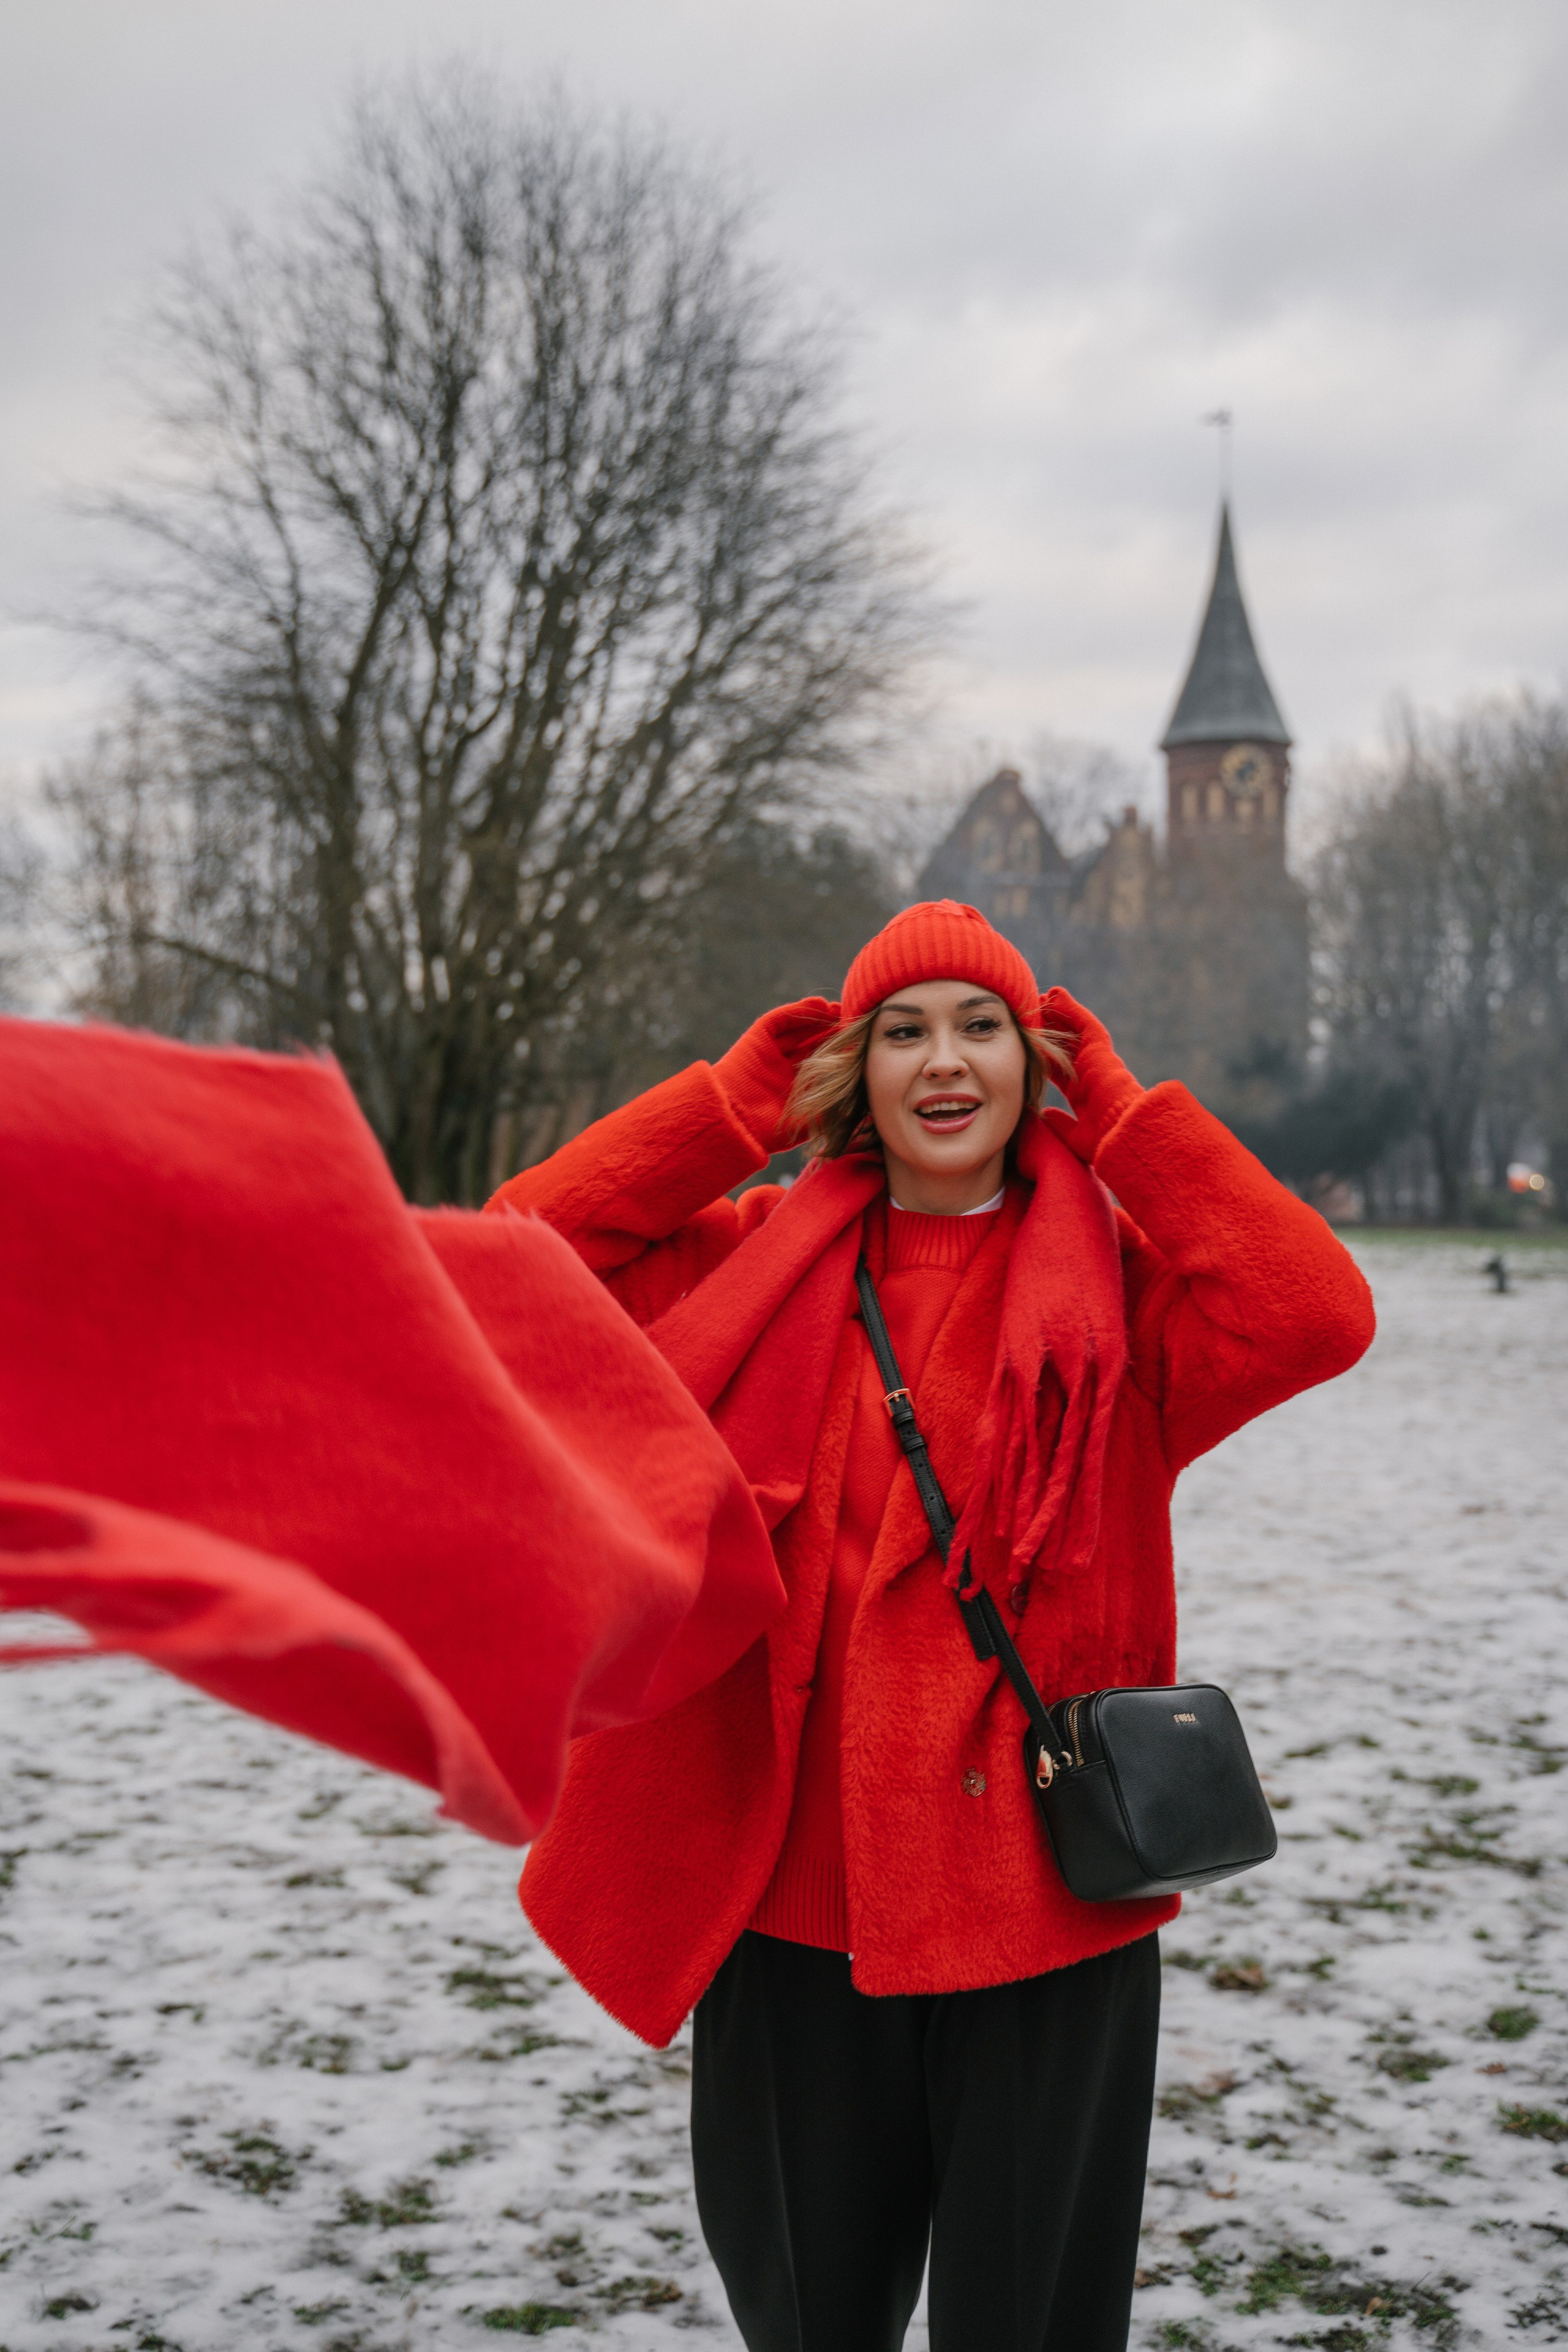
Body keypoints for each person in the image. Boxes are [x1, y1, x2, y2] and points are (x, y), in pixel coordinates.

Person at [493, 899, 1376, 2352]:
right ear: (854, 1071)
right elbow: (517, 1259)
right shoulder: (751, 1260)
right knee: (807, 2319)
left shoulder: (1122, 1304)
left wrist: (1126, 1121)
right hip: (790, 1912)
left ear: (1035, 1064)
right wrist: (728, 1112)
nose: (943, 1061)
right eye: (901, 1031)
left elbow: (1314, 1311)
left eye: (981, 1027)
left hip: (1046, 1914)